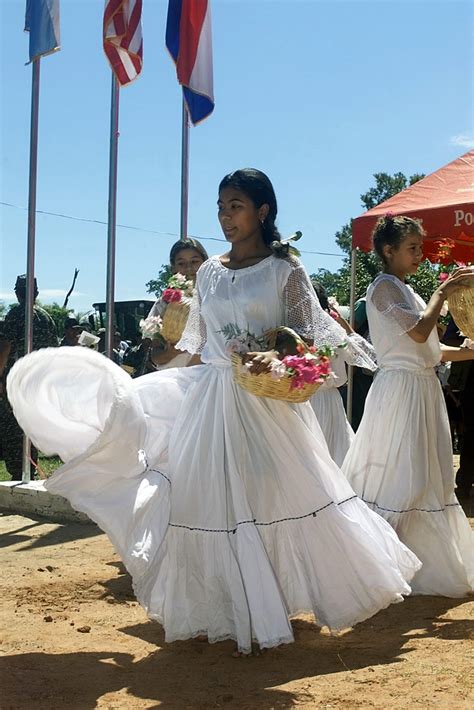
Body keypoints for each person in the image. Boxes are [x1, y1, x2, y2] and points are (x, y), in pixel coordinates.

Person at [7, 169, 421, 655]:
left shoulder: (285, 270)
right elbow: (200, 346)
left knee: (278, 495)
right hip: (213, 401)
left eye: (236, 206)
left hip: (267, 403)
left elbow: (312, 333)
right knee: (209, 500)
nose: (225, 216)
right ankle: (220, 606)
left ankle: (276, 597)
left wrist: (288, 355)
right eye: (221, 206)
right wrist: (158, 377)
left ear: (262, 210)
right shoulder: (208, 272)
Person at [342, 214, 474, 596]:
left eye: (420, 246)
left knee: (429, 478)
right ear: (388, 251)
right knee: (402, 477)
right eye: (412, 247)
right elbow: (418, 332)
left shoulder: (407, 290)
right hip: (400, 390)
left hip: (422, 388)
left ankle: (409, 565)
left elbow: (431, 352)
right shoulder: (382, 288)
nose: (420, 254)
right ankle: (374, 565)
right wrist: (444, 292)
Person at [310, 281, 376, 466]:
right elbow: (361, 354)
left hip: (310, 399)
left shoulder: (299, 328)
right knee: (335, 453)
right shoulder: (334, 328)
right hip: (331, 399)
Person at [0, 275, 57, 480]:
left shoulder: (15, 314)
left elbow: (5, 347)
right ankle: (29, 471)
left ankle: (19, 474)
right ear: (37, 293)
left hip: (17, 383)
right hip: (39, 384)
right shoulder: (46, 318)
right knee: (31, 428)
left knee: (14, 430)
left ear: (17, 293)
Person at [147, 238, 209, 371]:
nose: (189, 268)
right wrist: (172, 352)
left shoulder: (216, 299)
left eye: (195, 261)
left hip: (207, 376)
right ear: (173, 268)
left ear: (205, 263)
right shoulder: (164, 304)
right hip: (173, 379)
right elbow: (155, 356)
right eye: (181, 263)